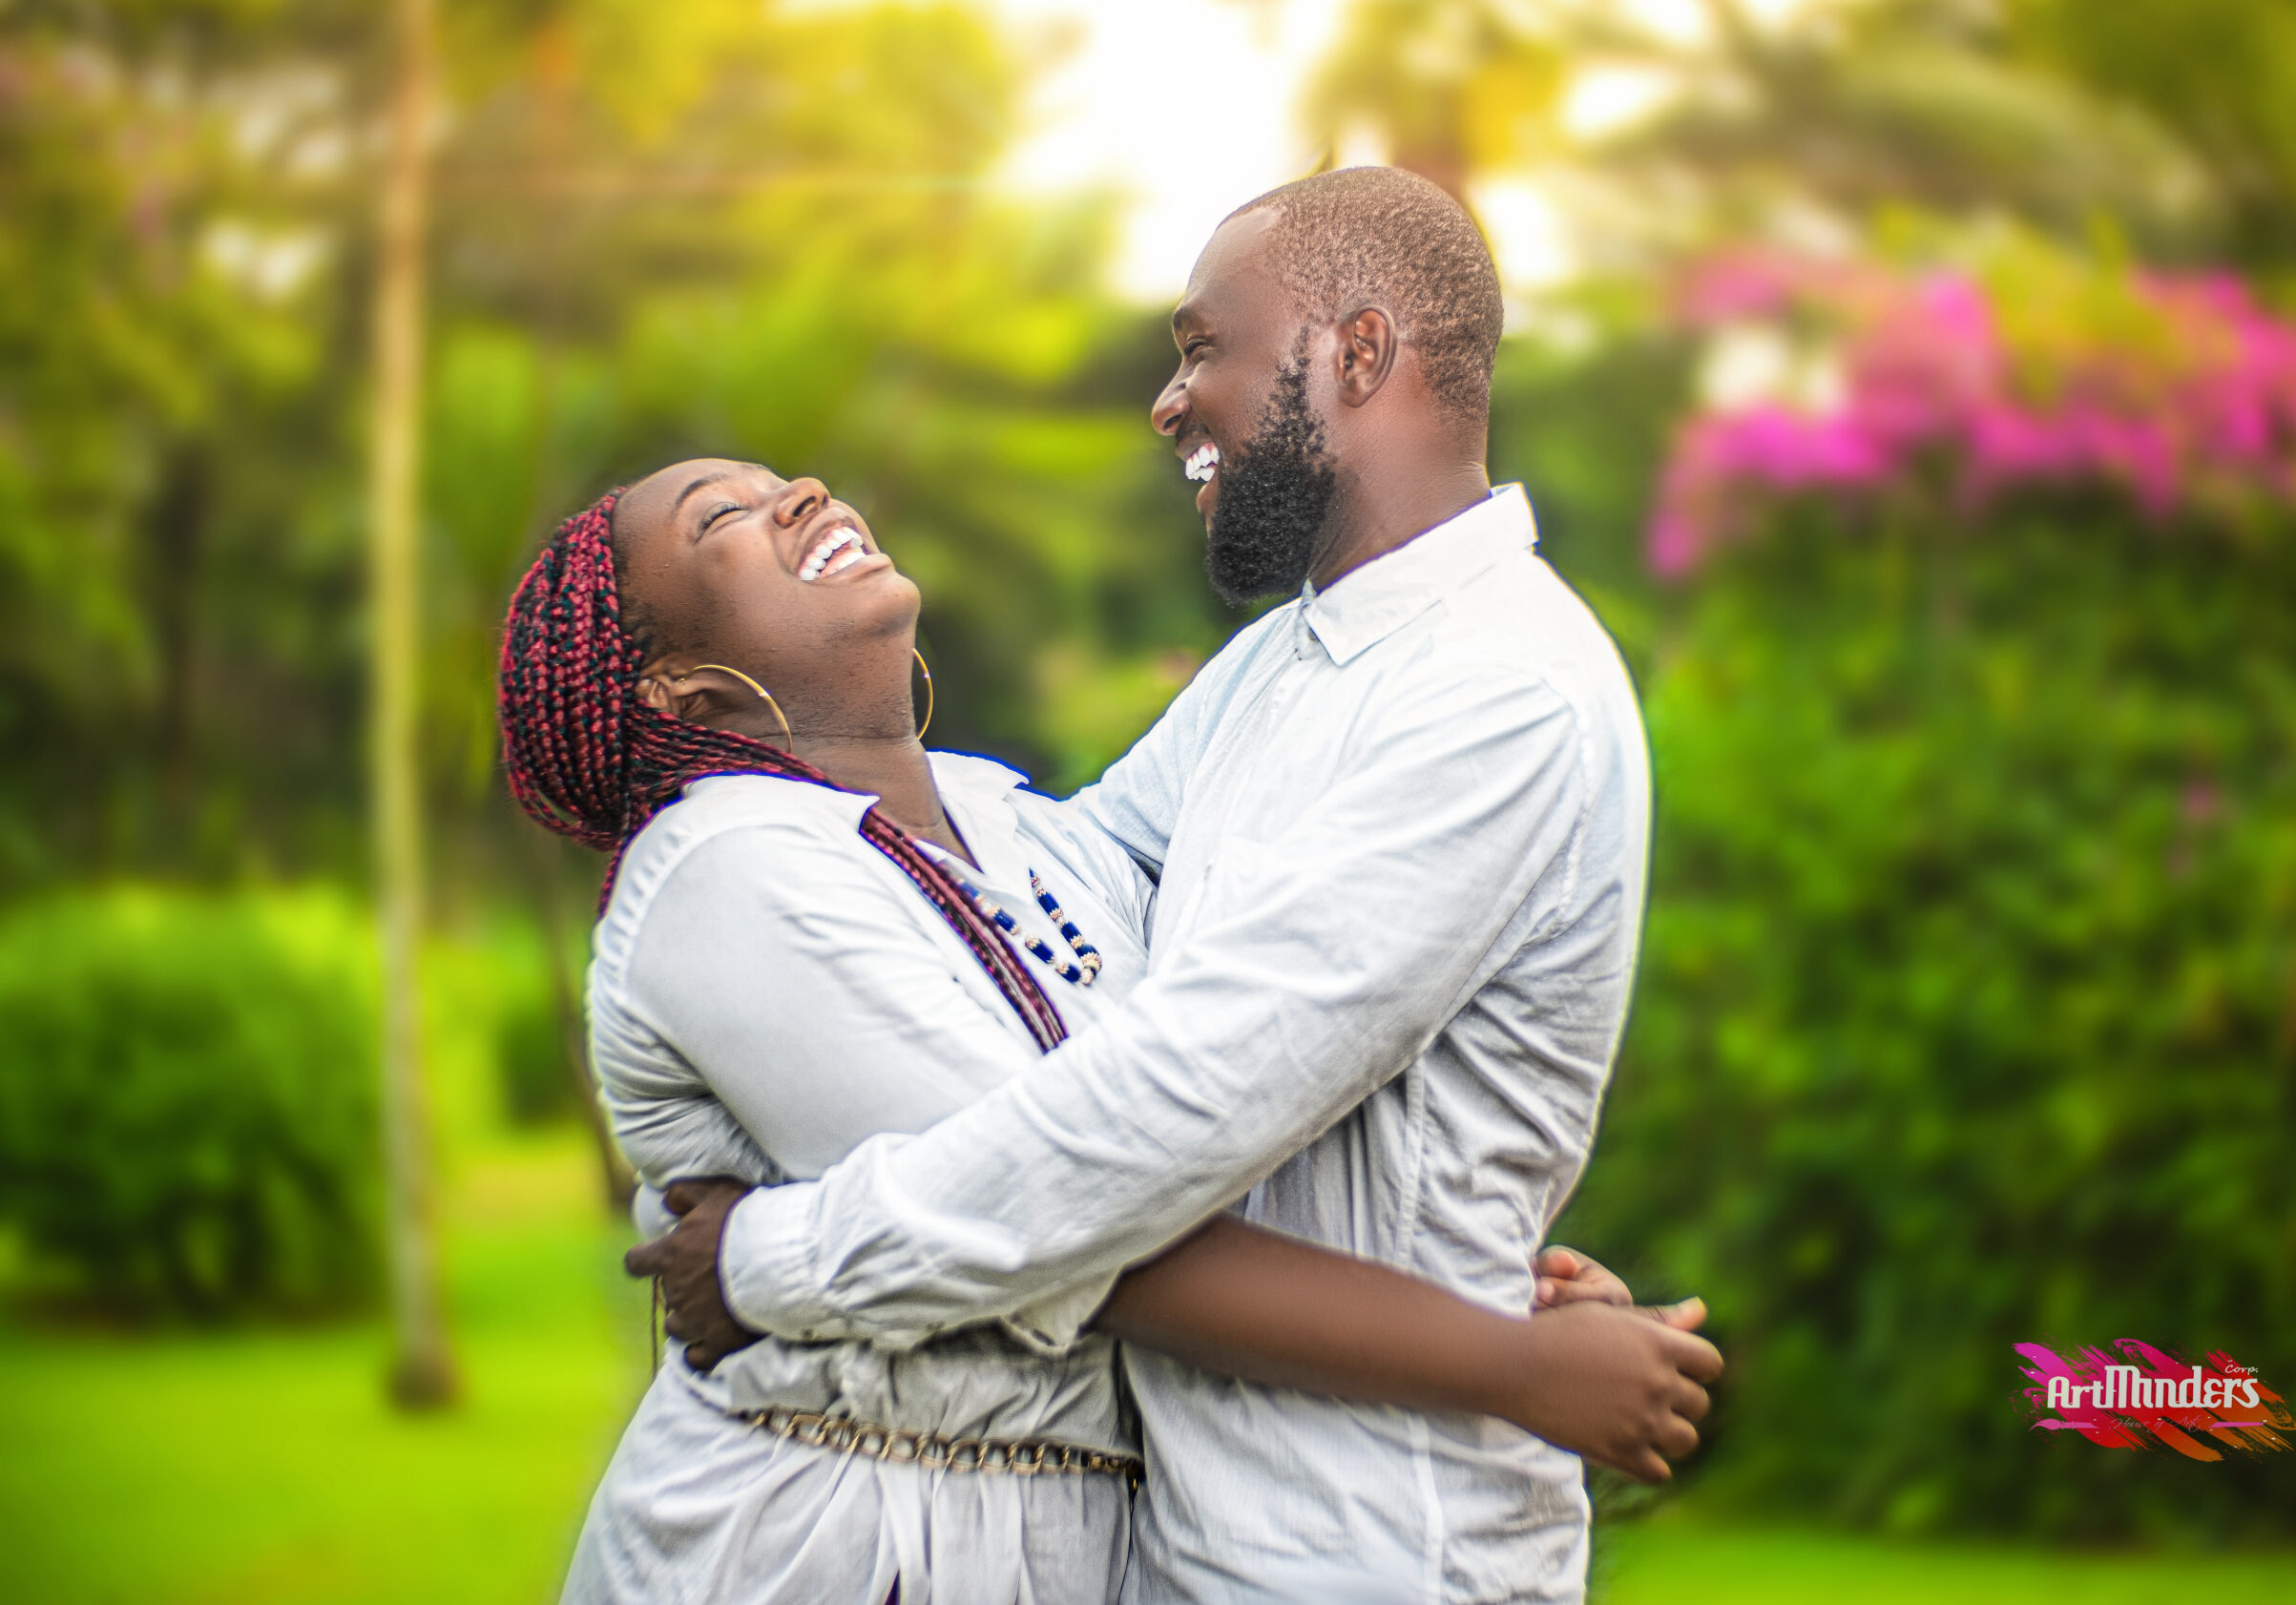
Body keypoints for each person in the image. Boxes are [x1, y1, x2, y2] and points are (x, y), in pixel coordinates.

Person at [635, 167, 1711, 1604]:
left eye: (1207, 347)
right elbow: (1064, 879)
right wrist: (791, 781)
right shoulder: (1293, 665)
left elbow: (1161, 1112)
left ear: (1358, 353)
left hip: (1374, 1554)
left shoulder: (1494, 693)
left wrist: (771, 1258)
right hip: (1190, 1541)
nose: (1169, 400)